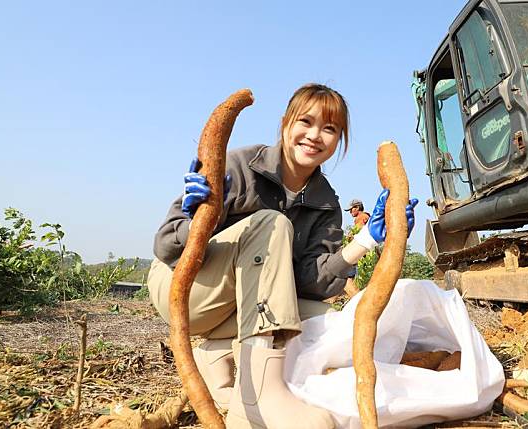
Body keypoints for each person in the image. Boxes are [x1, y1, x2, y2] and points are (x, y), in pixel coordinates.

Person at [148, 83, 418, 429]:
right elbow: (165, 247)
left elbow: (311, 284)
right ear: (285, 124)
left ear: (339, 141)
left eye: (330, 129)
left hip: (241, 305)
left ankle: (218, 356)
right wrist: (202, 215)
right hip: (187, 293)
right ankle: (262, 397)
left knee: (323, 318)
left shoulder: (325, 204)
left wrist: (366, 238)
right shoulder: (240, 166)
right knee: (271, 224)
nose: (315, 136)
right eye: (306, 122)